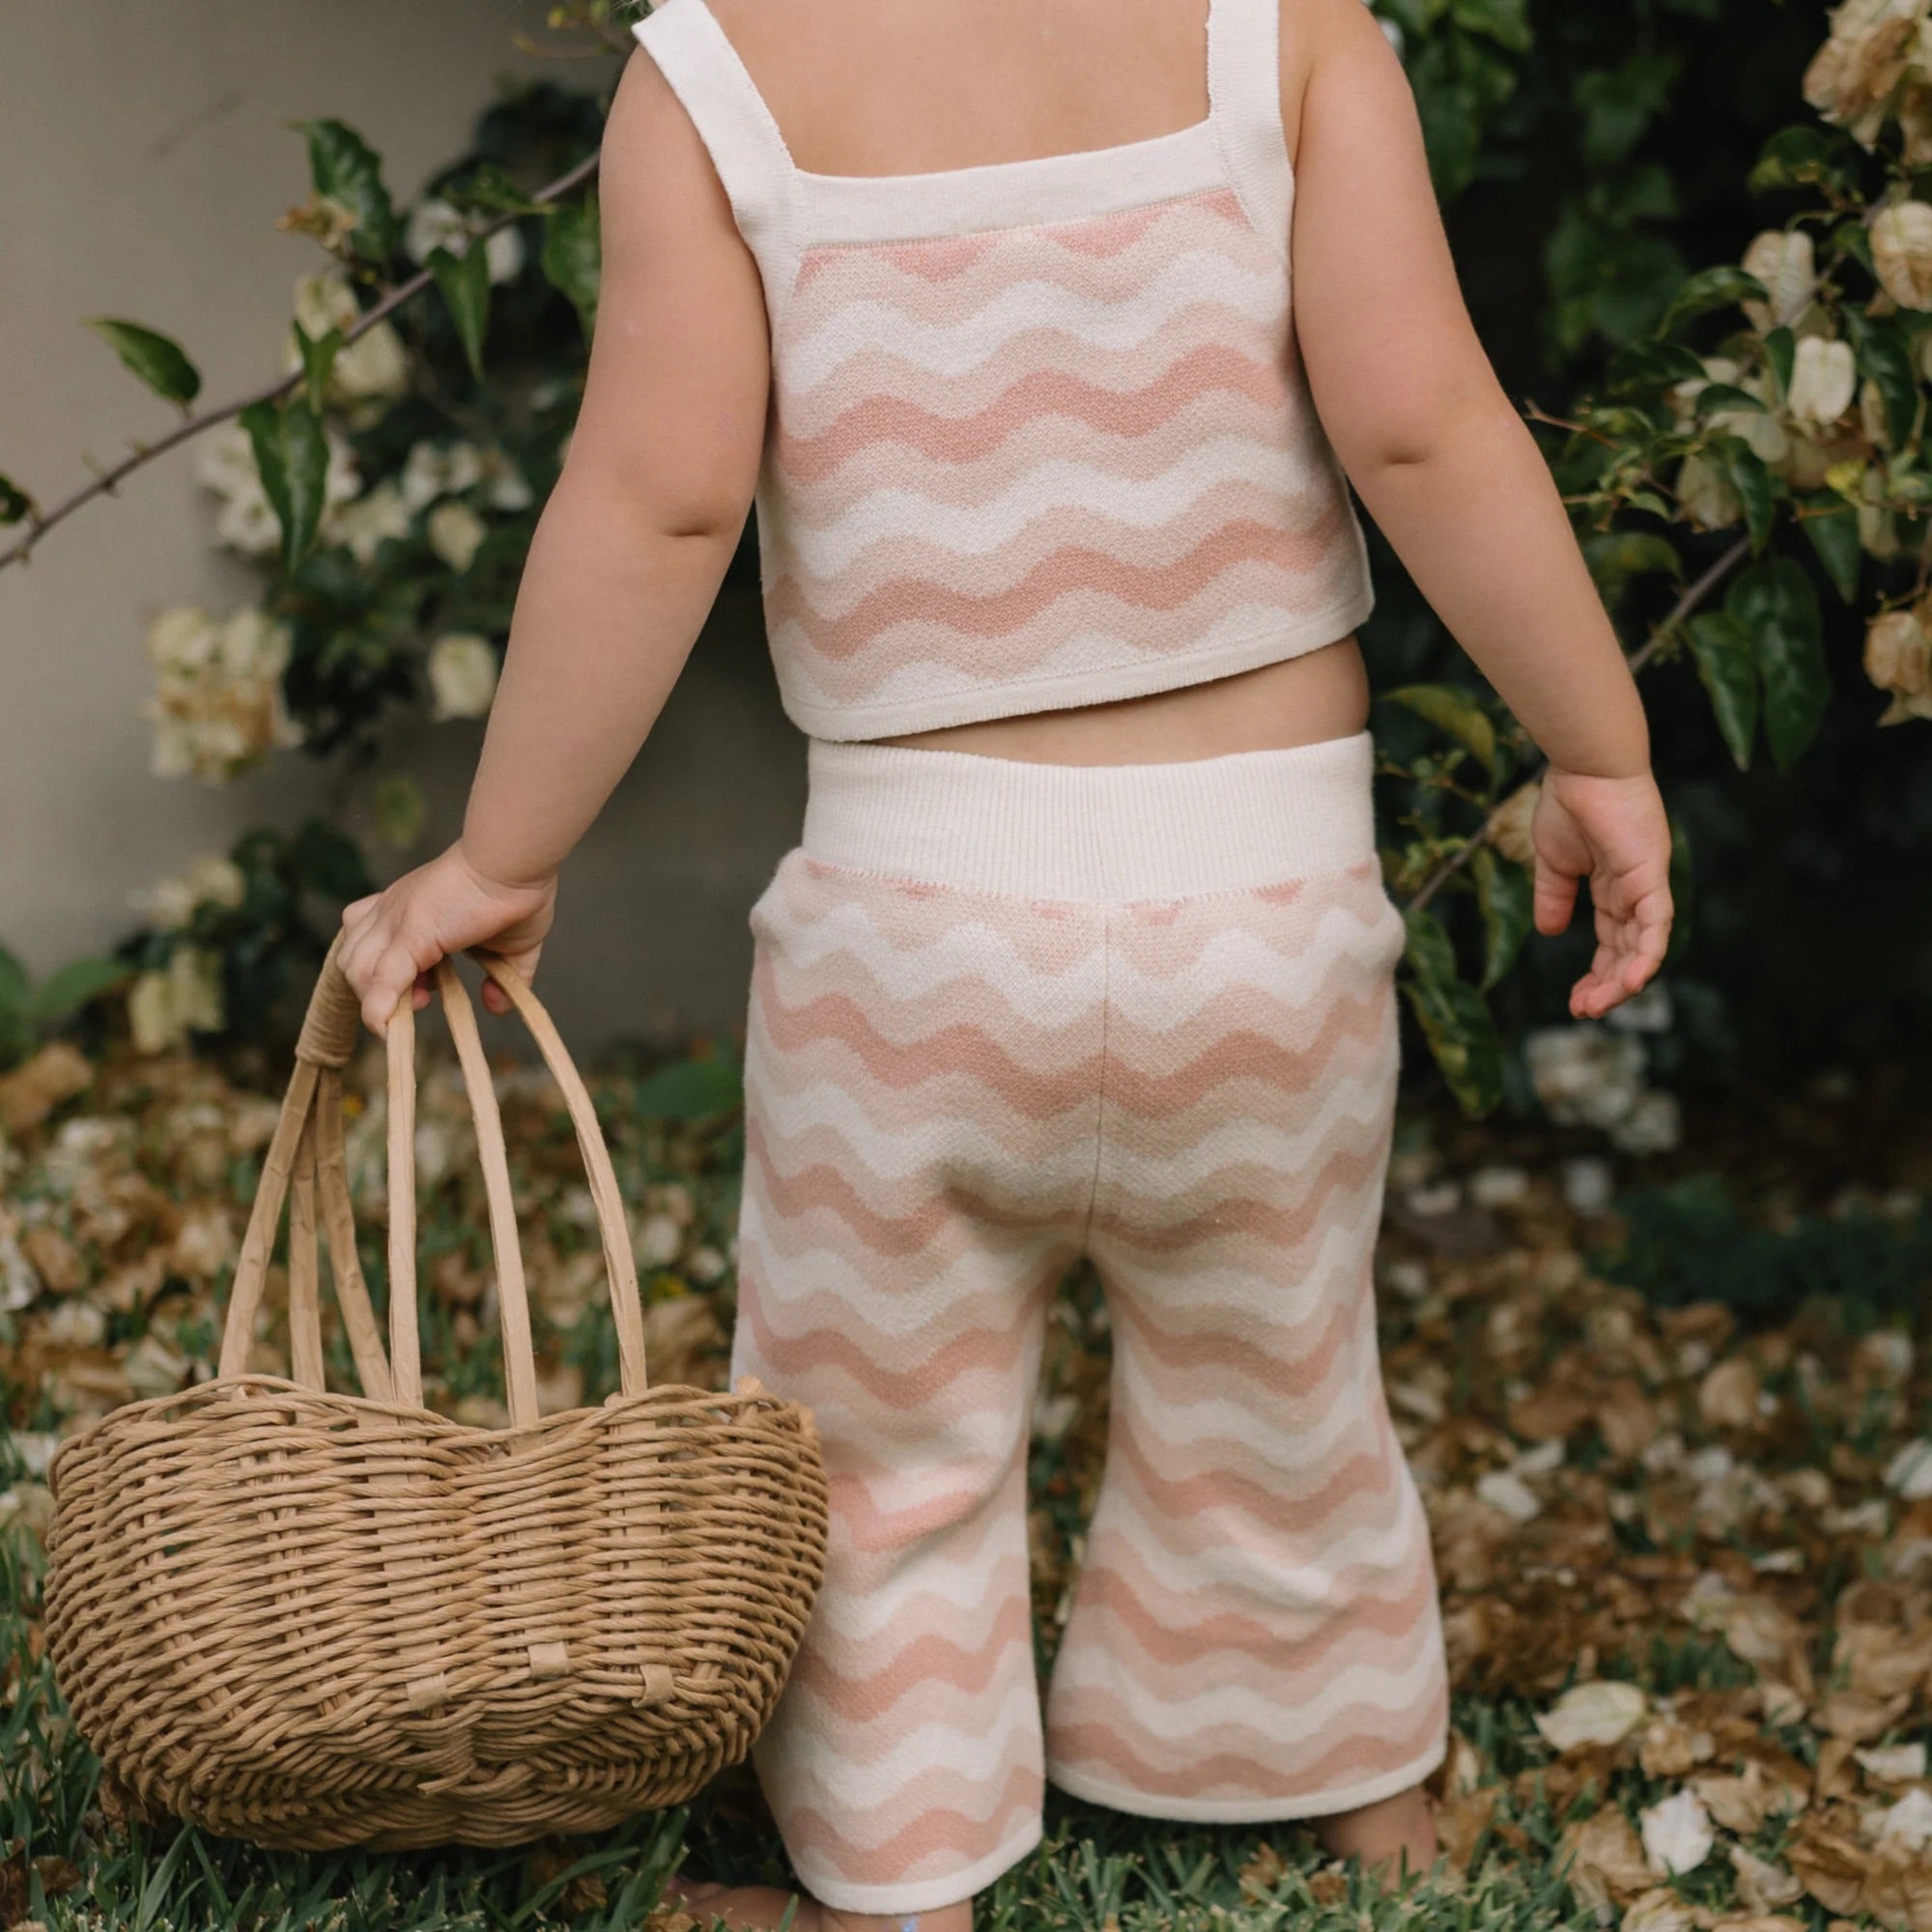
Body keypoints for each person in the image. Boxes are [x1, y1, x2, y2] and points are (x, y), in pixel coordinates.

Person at [335, 0, 1673, 1922]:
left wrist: (503, 848)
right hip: (1266, 918)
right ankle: (1357, 1792)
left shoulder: (710, 78)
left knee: (874, 1438)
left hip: (914, 939)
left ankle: (902, 1869)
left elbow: (662, 495)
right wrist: (1594, 744)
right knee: (1282, 1372)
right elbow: (1419, 417)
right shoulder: (1285, 34)